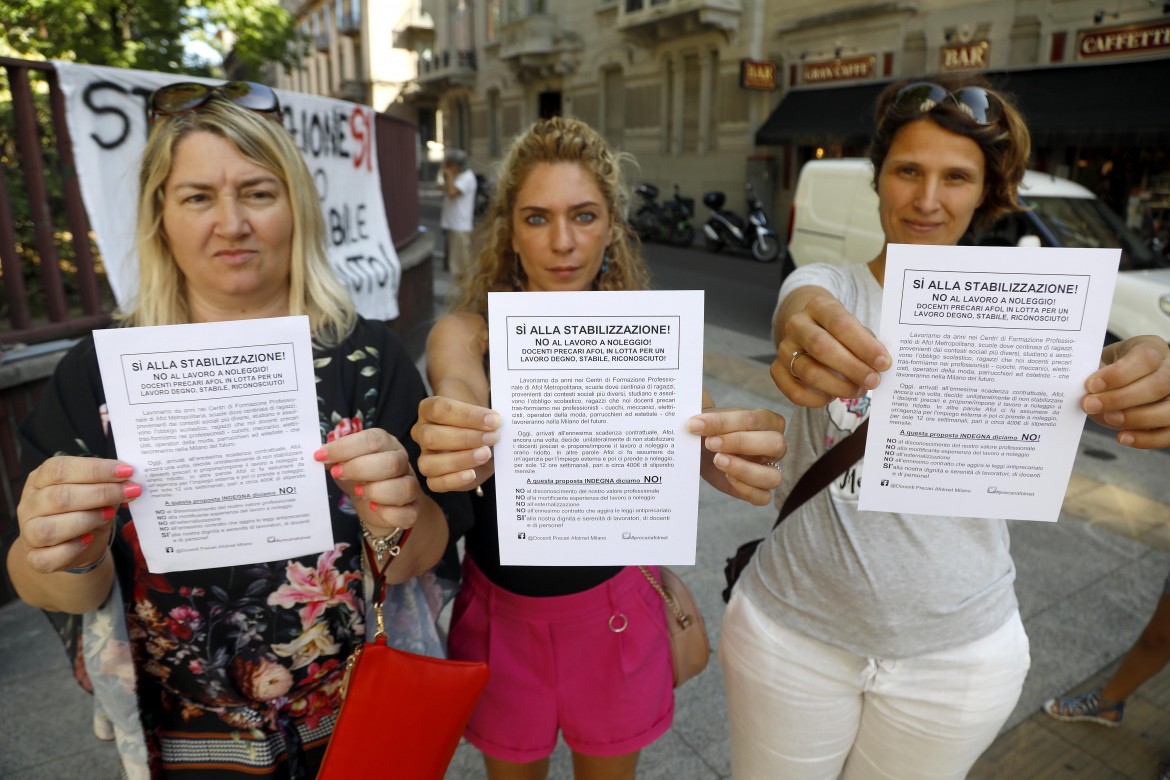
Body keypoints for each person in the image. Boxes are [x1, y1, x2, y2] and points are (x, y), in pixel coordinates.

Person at [6, 81, 468, 779]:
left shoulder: (367, 360)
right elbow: (47, 582)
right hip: (188, 739)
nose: (231, 224)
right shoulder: (97, 375)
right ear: (160, 214)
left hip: (356, 722)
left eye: (257, 192)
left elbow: (420, 557)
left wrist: (394, 515)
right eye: (197, 197)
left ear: (297, 207)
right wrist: (67, 548)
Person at [718, 74, 1170, 780]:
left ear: (988, 190)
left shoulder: (1021, 308)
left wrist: (1148, 365)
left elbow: (1101, 362)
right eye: (908, 171)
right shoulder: (833, 286)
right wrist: (804, 335)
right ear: (878, 180)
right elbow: (801, 310)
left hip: (959, 654)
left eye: (955, 177)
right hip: (792, 635)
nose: (928, 200)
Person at [410, 116, 787, 780]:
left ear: (612, 225)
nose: (562, 242)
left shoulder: (647, 341)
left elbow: (707, 434)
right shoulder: (470, 333)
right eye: (537, 218)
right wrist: (459, 425)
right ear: (510, 231)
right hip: (503, 616)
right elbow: (457, 380)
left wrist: (736, 454)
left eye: (583, 216)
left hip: (614, 612)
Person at [442, 147, 478, 279]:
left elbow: (451, 192)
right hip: (453, 226)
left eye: (448, 164)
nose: (445, 167)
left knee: (462, 269)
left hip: (460, 227)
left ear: (456, 165)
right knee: (455, 266)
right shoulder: (459, 176)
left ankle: (466, 296)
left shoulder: (467, 177)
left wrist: (449, 176)